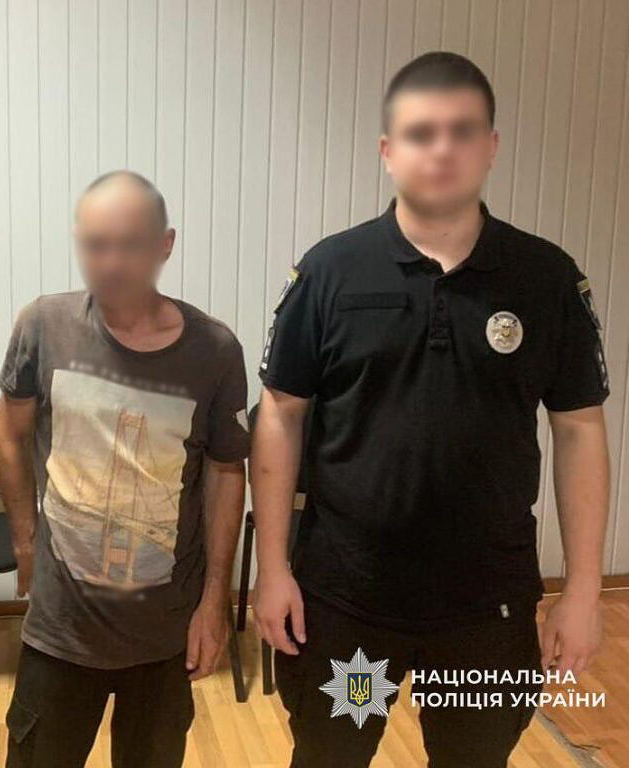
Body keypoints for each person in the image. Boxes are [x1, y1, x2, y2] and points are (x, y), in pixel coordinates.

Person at [251, 51, 610, 767]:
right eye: (421, 133)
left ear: (491, 146)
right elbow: (281, 412)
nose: (442, 149)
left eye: (462, 131)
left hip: (486, 611)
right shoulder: (330, 272)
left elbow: (578, 430)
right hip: (350, 607)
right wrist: (271, 568)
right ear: (389, 151)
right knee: (332, 757)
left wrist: (584, 591)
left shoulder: (545, 279)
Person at [0, 170, 250, 768]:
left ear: (165, 244)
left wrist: (215, 599)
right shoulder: (43, 325)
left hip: (163, 631)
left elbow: (225, 472)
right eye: (95, 245)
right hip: (60, 630)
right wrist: (25, 541)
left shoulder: (214, 350)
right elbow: (10, 434)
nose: (110, 263)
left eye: (129, 245)